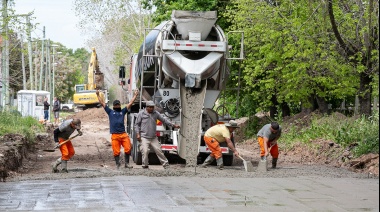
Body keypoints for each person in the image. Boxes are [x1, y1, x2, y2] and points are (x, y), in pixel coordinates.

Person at [96, 89, 139, 169]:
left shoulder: (123, 111)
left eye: (118, 104)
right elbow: (102, 103)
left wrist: (135, 95)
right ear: (113, 106)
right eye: (116, 105)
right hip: (115, 135)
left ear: (120, 105)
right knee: (116, 151)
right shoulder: (110, 112)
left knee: (128, 148)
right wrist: (98, 95)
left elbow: (130, 103)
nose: (117, 106)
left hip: (123, 134)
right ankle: (118, 164)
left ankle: (127, 164)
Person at [135, 101, 180, 169]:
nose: (152, 109)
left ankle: (166, 165)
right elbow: (137, 125)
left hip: (153, 137)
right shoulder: (141, 114)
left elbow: (164, 120)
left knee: (159, 151)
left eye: (153, 107)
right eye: (150, 107)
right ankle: (145, 165)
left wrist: (173, 125)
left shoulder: (155, 113)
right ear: (147, 107)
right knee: (145, 151)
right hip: (144, 137)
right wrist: (138, 134)